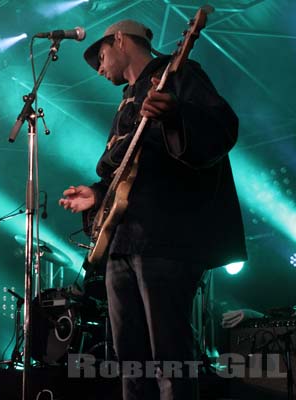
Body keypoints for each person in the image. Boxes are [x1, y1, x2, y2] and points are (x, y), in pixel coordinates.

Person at [58, 20, 247, 399]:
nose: (98, 66)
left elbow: (222, 128)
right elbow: (126, 170)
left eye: (101, 54)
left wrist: (175, 114)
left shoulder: (178, 74)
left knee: (169, 356)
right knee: (128, 358)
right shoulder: (127, 99)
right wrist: (96, 194)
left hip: (165, 237)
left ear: (122, 40)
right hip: (122, 242)